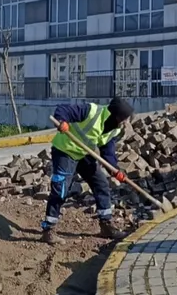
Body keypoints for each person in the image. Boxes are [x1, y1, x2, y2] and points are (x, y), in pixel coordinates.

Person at [42, 97, 135, 244]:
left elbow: (107, 151)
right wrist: (63, 121)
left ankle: (106, 225)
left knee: (101, 184)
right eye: (124, 119)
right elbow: (64, 109)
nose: (126, 123)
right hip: (65, 151)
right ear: (116, 116)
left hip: (84, 154)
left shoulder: (114, 129)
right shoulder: (92, 111)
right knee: (61, 189)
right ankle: (49, 229)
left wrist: (115, 170)